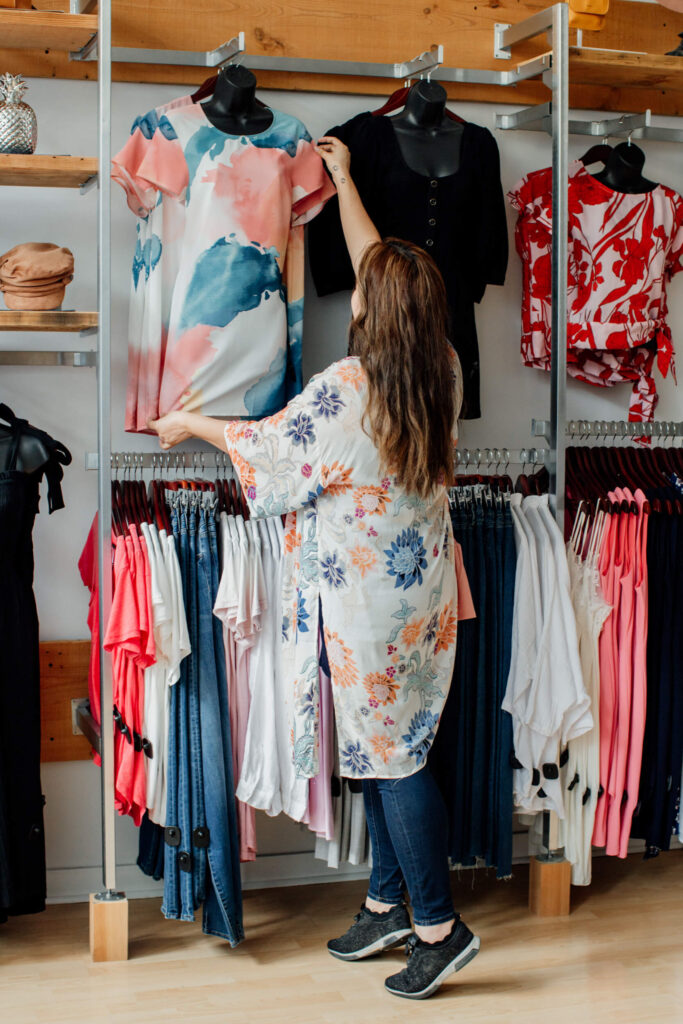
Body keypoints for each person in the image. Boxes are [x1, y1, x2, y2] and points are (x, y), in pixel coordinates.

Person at [148, 135, 480, 1000]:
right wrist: (341, 180)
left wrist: (196, 426)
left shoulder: (346, 389)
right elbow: (388, 269)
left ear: (375, 311)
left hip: (367, 609)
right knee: (394, 746)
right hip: (422, 599)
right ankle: (384, 899)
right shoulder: (439, 369)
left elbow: (268, 450)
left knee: (393, 761)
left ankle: (438, 927)